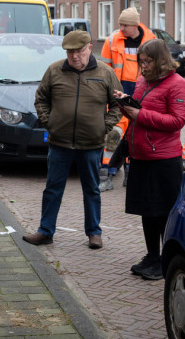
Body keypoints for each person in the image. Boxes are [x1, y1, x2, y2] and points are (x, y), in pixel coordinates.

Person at [23, 30, 122, 249]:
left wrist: (103, 127)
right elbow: (41, 98)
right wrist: (50, 123)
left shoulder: (105, 73)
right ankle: (45, 231)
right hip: (60, 143)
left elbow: (118, 104)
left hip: (91, 144)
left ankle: (94, 233)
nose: (74, 56)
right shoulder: (55, 70)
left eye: (78, 51)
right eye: (69, 52)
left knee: (92, 189)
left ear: (88, 48)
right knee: (52, 189)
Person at [116, 39, 185, 281]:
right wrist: (125, 103)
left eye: (147, 62)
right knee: (147, 210)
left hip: (163, 159)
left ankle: (165, 261)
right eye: (141, 62)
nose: (143, 67)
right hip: (142, 155)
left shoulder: (178, 85)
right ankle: (151, 256)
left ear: (160, 61)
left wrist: (141, 114)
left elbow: (177, 121)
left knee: (163, 212)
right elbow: (138, 110)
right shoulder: (142, 81)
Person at [99, 7, 156, 191]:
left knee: (134, 134)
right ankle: (105, 174)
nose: (121, 28)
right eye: (120, 24)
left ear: (135, 25)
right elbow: (104, 68)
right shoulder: (112, 40)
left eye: (124, 25)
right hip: (117, 92)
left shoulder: (152, 41)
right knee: (114, 133)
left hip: (141, 93)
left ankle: (130, 174)